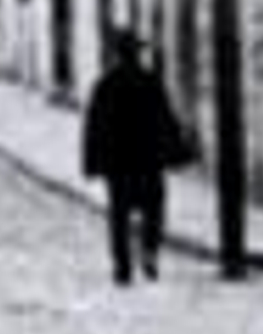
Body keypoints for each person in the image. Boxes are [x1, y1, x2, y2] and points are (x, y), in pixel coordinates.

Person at [81, 28, 190, 287]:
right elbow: (166, 119)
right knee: (154, 209)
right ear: (137, 54)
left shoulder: (105, 84)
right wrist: (175, 152)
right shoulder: (149, 81)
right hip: (147, 160)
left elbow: (94, 128)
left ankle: (122, 266)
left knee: (119, 215)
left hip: (119, 164)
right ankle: (149, 251)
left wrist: (92, 163)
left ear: (117, 55)